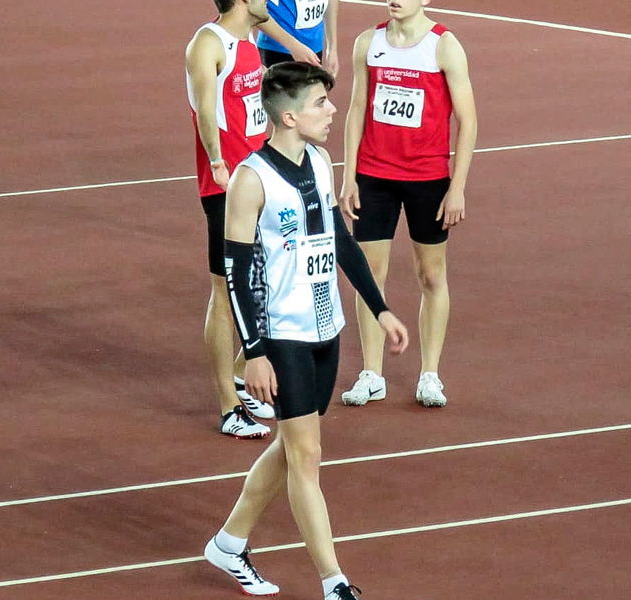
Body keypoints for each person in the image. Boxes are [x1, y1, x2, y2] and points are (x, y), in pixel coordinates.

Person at [202, 62, 409, 600]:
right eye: (321, 103)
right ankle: (334, 582)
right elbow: (236, 272)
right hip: (283, 337)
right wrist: (254, 352)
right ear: (289, 115)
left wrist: (380, 308)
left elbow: (340, 240)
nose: (332, 110)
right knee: (307, 455)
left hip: (326, 329)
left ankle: (228, 543)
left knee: (295, 447)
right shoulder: (251, 181)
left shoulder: (318, 161)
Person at [339, 0, 477, 408]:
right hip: (375, 176)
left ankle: (430, 375)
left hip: (428, 179)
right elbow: (357, 109)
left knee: (431, 275)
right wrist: (348, 175)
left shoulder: (445, 46)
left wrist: (458, 186)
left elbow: (467, 120)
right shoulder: (369, 42)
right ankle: (371, 373)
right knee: (369, 274)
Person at [186, 0, 279, 439]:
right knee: (224, 291)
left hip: (259, 181)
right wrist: (218, 159)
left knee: (271, 276)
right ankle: (229, 406)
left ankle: (243, 370)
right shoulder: (208, 43)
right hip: (224, 186)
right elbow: (207, 108)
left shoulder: (250, 38)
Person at [256, 0, 340, 76]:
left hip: (314, 47)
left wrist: (332, 48)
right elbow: (252, 9)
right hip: (278, 48)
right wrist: (293, 46)